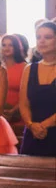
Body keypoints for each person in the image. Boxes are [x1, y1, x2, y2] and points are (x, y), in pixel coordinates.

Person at [19, 21, 56, 156]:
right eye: (38, 37)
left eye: (48, 37)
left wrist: (44, 125)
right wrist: (31, 125)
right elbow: (23, 103)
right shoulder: (29, 69)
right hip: (33, 133)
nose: (42, 41)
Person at [1, 34, 27, 136]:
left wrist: (13, 111)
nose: (6, 48)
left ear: (16, 47)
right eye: (4, 45)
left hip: (19, 114)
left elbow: (27, 94)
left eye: (10, 45)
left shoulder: (24, 67)